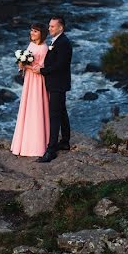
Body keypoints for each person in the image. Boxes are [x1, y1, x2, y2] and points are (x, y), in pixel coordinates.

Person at [10, 23, 50, 157]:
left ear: (41, 33)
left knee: (36, 108)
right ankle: (24, 143)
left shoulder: (44, 48)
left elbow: (42, 67)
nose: (32, 33)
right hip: (29, 80)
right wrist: (22, 64)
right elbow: (27, 62)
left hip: (37, 81)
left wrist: (27, 66)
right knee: (27, 108)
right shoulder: (31, 44)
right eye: (32, 30)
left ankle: (36, 146)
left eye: (35, 31)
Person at [37, 15, 72, 163]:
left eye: (52, 26)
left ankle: (51, 150)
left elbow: (60, 65)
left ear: (60, 27)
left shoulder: (64, 43)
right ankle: (64, 141)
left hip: (58, 84)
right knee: (61, 111)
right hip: (56, 83)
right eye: (49, 26)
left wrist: (42, 71)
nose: (49, 28)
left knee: (54, 116)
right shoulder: (57, 41)